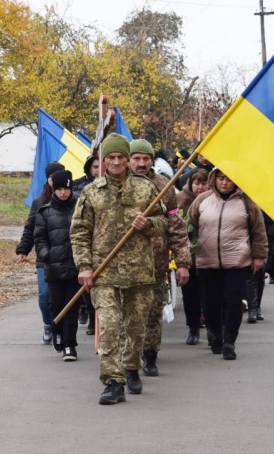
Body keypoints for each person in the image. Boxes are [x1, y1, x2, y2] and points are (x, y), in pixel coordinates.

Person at [70, 133, 167, 405]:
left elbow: (165, 223)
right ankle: (113, 382)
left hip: (139, 271)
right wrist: (85, 267)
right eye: (110, 157)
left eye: (120, 157)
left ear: (127, 160)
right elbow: (79, 232)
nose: (115, 161)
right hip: (104, 272)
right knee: (110, 326)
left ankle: (132, 366)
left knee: (136, 327)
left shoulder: (146, 189)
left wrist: (147, 225)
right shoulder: (91, 192)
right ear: (102, 161)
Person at [188, 170, 268, 360]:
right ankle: (215, 335)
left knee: (234, 302)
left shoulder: (247, 202)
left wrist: (259, 256)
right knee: (210, 304)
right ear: (214, 179)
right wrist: (186, 254)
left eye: (229, 179)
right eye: (221, 178)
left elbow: (258, 230)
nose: (224, 183)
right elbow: (188, 226)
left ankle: (229, 342)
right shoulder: (202, 200)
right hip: (207, 261)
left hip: (238, 261)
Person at [128, 139, 191, 378]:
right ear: (129, 159)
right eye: (137, 158)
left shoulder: (164, 186)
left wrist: (183, 263)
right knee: (128, 315)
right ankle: (128, 358)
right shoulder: (118, 185)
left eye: (146, 159)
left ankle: (150, 355)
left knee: (153, 313)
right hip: (125, 267)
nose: (141, 163)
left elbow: (176, 227)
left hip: (156, 264)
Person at [34, 169, 81, 361]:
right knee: (56, 305)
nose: (63, 192)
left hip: (76, 267)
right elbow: (39, 238)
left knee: (72, 307)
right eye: (59, 189)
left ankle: (70, 345)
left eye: (66, 189)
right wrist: (47, 255)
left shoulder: (80, 208)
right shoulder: (45, 212)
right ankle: (58, 333)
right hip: (54, 268)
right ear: (54, 190)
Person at [16, 161, 64, 344]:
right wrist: (23, 248)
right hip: (45, 255)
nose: (56, 181)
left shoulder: (73, 199)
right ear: (48, 179)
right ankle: (48, 324)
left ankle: (62, 328)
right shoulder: (39, 202)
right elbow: (30, 227)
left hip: (66, 256)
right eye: (53, 177)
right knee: (45, 294)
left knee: (63, 296)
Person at [177, 168, 210, 345]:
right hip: (188, 256)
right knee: (190, 295)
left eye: (204, 183)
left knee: (210, 294)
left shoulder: (213, 200)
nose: (200, 187)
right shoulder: (181, 199)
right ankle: (193, 328)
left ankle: (212, 327)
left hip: (210, 256)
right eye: (197, 183)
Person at [73, 156, 100, 336]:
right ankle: (90, 314)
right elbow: (79, 228)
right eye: (95, 167)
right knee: (88, 286)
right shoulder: (83, 191)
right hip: (89, 250)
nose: (99, 170)